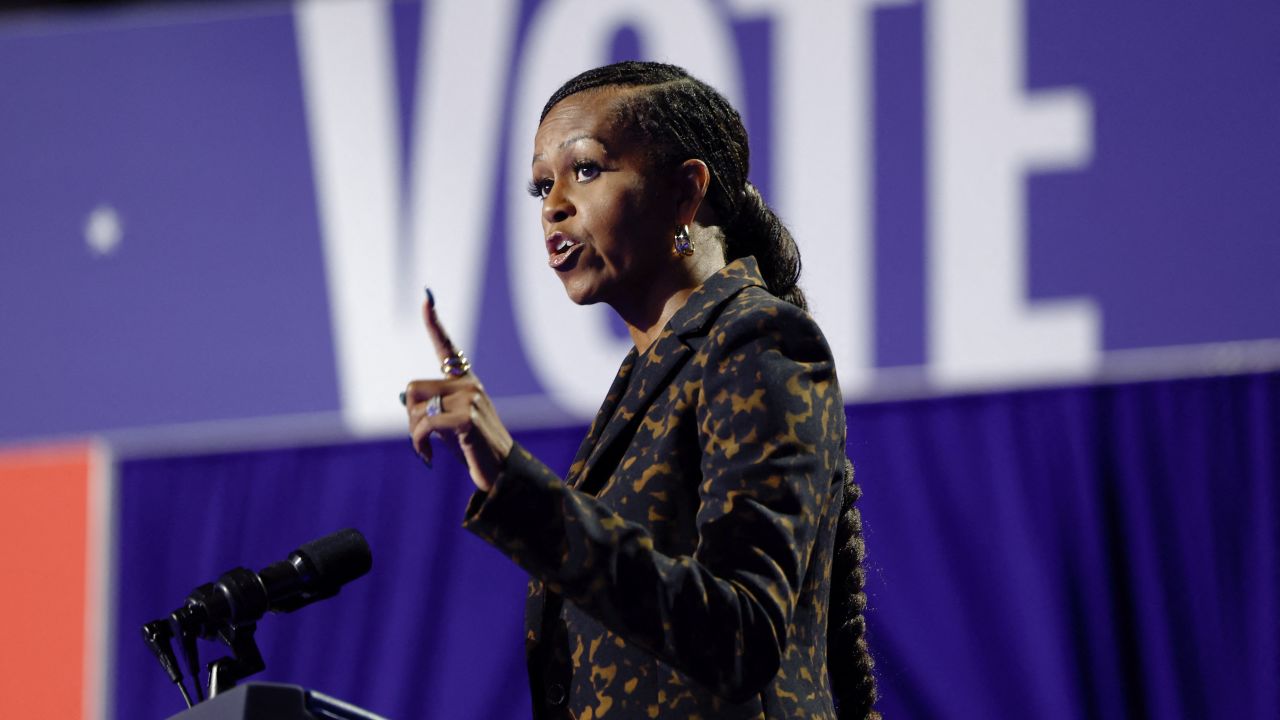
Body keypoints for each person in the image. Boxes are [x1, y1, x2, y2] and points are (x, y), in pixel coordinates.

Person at [403, 61, 877, 720]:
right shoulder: (642, 382)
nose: (553, 206)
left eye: (586, 169)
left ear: (686, 192)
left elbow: (740, 634)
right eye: (541, 186)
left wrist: (515, 484)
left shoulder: (757, 340)